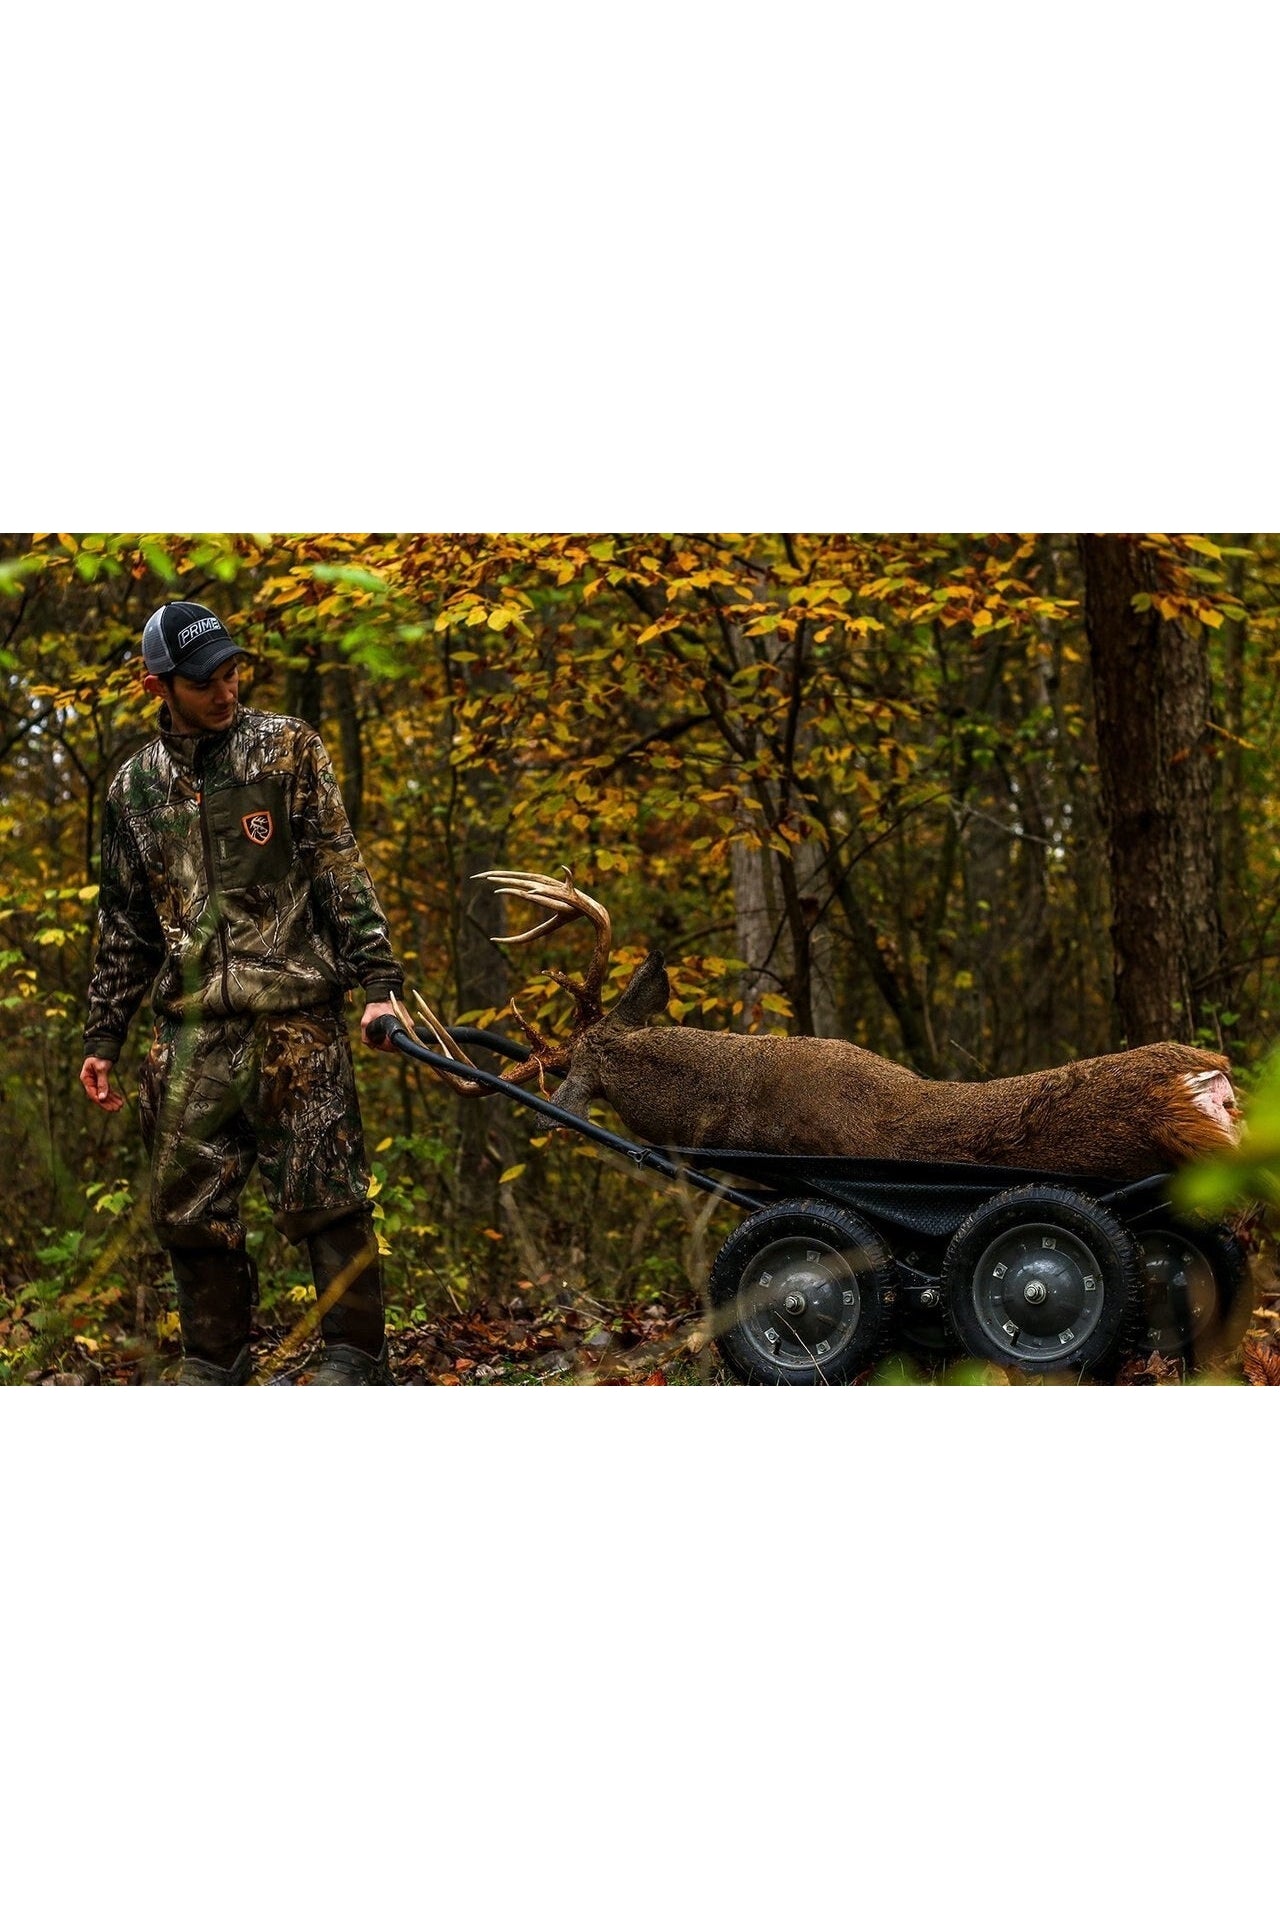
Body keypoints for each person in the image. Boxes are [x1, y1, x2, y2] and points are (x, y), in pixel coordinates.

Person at [79, 601, 403, 1384]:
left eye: (232, 674)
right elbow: (126, 924)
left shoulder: (287, 748)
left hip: (296, 1016)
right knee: (187, 1210)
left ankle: (355, 1359)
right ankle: (215, 1366)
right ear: (158, 686)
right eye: (205, 682)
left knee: (327, 1195)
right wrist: (103, 1036)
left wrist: (380, 983)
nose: (225, 691)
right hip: (191, 1034)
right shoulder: (133, 789)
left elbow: (338, 866)